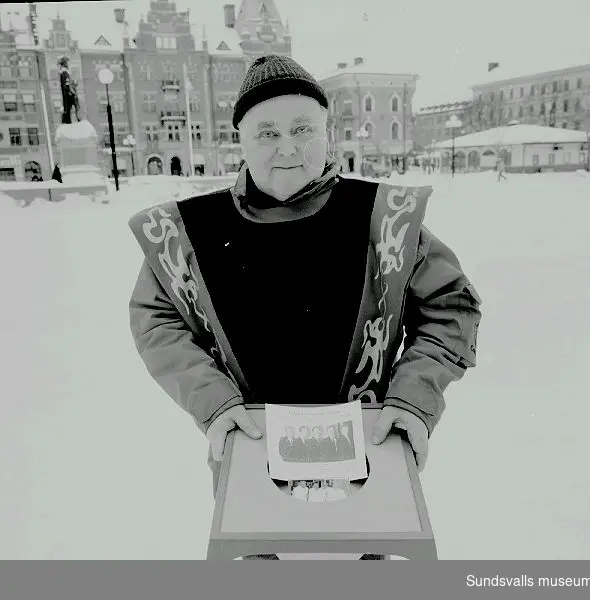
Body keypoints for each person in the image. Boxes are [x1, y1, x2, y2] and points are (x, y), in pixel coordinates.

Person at [128, 54, 482, 560]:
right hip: (252, 456)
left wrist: (412, 400)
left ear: (326, 132)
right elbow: (156, 320)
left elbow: (452, 305)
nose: (288, 147)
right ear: (242, 140)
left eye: (303, 129)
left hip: (366, 457)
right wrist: (214, 404)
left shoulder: (386, 220)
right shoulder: (189, 233)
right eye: (267, 132)